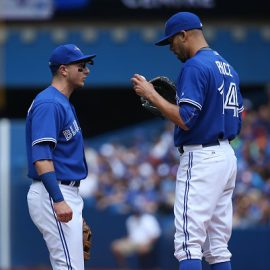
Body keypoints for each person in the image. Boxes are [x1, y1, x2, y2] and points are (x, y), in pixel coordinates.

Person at [131, 12, 244, 270]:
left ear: (184, 35)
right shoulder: (228, 68)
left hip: (202, 158)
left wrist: (153, 95)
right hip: (226, 156)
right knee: (217, 247)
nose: (170, 47)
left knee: (187, 243)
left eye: (171, 40)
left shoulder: (194, 66)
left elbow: (185, 118)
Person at [26, 44, 96, 270]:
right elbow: (41, 157)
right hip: (53, 190)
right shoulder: (49, 103)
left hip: (63, 191)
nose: (86, 70)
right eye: (81, 65)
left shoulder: (61, 102)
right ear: (64, 70)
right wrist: (58, 199)